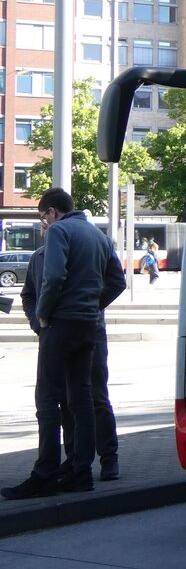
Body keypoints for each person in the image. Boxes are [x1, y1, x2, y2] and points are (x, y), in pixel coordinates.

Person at [1, 188, 125, 500]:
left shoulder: (59, 231)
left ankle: (45, 473)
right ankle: (80, 472)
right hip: (87, 326)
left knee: (47, 399)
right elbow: (118, 281)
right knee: (81, 398)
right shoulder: (99, 236)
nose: (45, 222)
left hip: (60, 325)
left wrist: (43, 316)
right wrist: (93, 306)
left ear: (52, 212)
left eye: (44, 216)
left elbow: (54, 277)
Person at [20, 244, 121, 484]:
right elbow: (29, 294)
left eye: (47, 219)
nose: (46, 227)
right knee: (67, 399)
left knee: (94, 396)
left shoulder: (86, 249)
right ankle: (74, 460)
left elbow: (116, 282)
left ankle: (108, 457)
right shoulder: (40, 255)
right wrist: (39, 322)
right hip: (53, 333)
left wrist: (90, 307)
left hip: (89, 329)